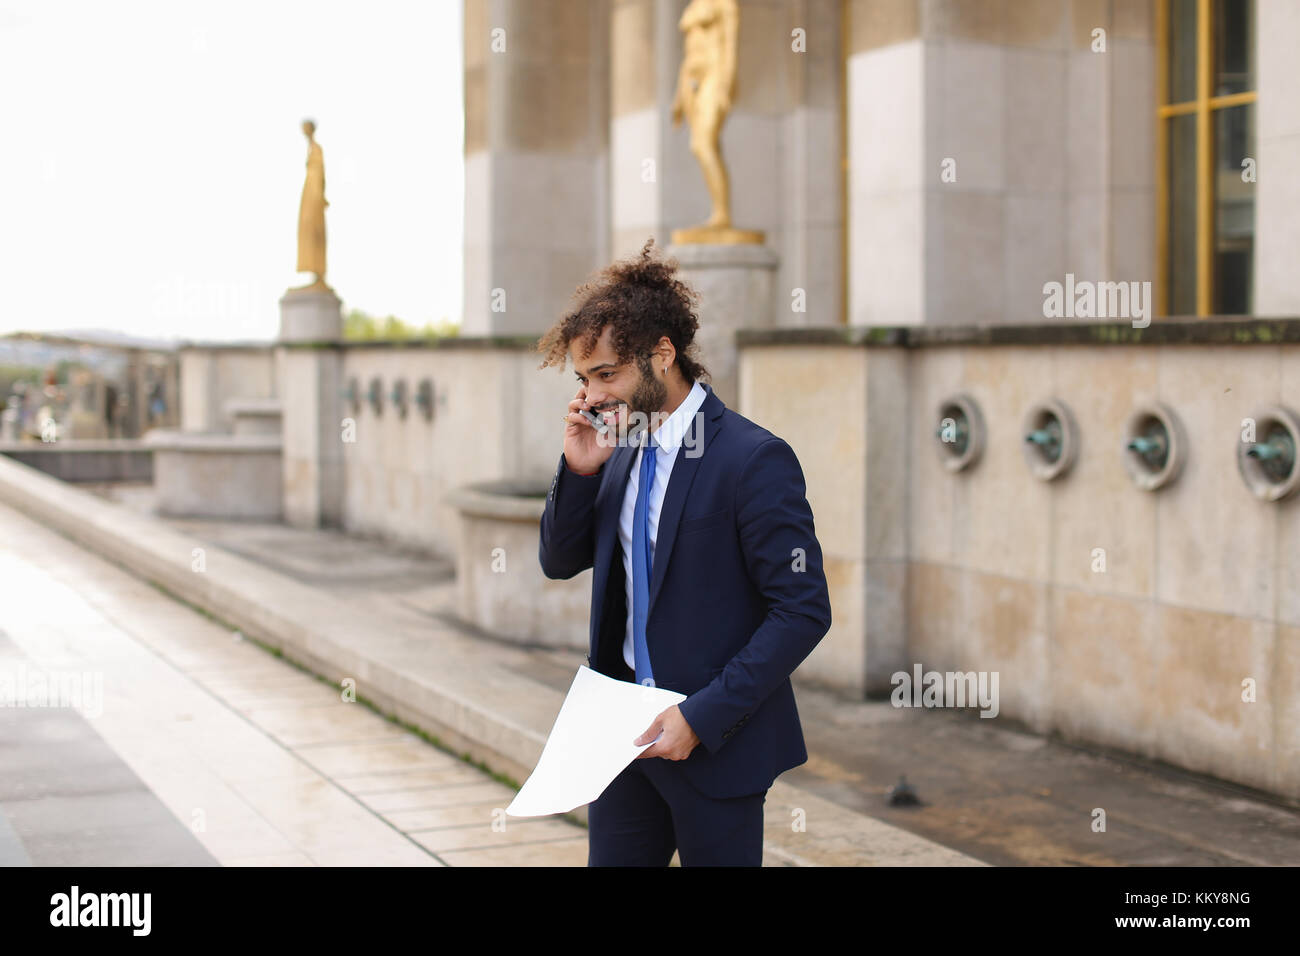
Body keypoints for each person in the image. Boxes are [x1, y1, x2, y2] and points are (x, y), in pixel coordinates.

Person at [536, 239, 831, 866]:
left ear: (662, 354)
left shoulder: (752, 459)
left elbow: (802, 610)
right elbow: (559, 561)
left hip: (715, 746)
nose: (590, 397)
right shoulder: (616, 446)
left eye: (606, 374)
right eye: (584, 379)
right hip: (621, 741)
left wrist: (701, 717)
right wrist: (580, 469)